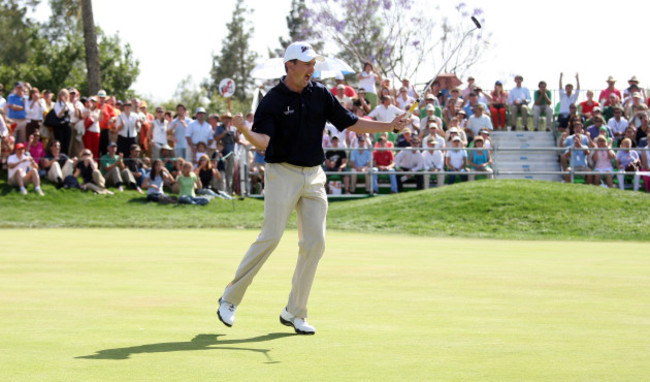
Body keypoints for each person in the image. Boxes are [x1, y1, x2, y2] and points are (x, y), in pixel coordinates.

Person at [216, 42, 407, 335]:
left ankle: (295, 311)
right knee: (271, 237)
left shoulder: (319, 93)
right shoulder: (272, 100)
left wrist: (389, 126)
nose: (311, 69)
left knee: (315, 243)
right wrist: (244, 130)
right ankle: (230, 298)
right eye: (306, 63)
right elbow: (265, 142)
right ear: (289, 65)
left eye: (313, 63)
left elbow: (351, 122)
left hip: (314, 175)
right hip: (282, 173)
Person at [214, 112, 238, 194]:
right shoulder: (219, 128)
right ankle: (221, 189)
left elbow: (237, 140)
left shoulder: (233, 129)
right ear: (222, 119)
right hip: (221, 154)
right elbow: (216, 138)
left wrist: (237, 133)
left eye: (228, 118)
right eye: (225, 118)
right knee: (221, 172)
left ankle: (228, 190)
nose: (226, 120)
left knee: (230, 173)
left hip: (231, 154)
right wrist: (224, 133)